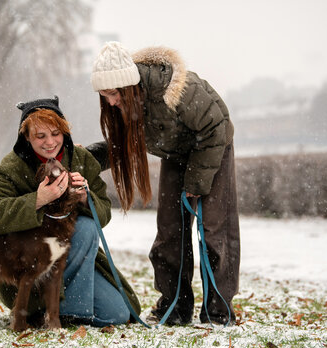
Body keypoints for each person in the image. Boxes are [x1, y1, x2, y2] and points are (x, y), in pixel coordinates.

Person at [87, 42, 240, 326]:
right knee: (170, 230)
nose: (110, 102)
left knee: (214, 231)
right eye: (104, 96)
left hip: (212, 146)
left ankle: (218, 312)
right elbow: (119, 146)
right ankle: (175, 307)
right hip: (176, 154)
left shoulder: (177, 91)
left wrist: (197, 180)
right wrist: (80, 162)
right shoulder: (124, 104)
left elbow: (216, 127)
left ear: (128, 86)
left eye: (112, 94)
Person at [0, 96, 140, 327]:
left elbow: (104, 213)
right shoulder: (11, 167)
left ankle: (60, 309)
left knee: (117, 314)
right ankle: (60, 312)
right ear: (26, 137)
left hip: (71, 261)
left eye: (56, 133)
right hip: (27, 269)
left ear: (64, 131)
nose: (50, 142)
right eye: (40, 136)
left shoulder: (81, 158)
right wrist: (37, 199)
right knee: (84, 227)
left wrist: (86, 198)